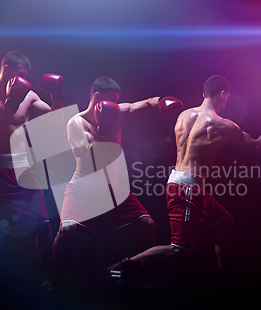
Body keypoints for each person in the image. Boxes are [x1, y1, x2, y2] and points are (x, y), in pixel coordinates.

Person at [108, 75, 261, 291]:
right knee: (178, 249)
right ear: (223, 94)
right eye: (226, 98)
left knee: (226, 223)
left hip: (179, 184)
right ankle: (123, 266)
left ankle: (223, 279)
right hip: (188, 189)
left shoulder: (182, 115)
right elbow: (257, 147)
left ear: (203, 93)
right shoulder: (223, 125)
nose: (225, 103)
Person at [53, 77, 180, 286]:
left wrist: (162, 102)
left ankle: (142, 274)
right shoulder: (76, 123)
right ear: (97, 98)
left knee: (147, 224)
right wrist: (104, 128)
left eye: (116, 101)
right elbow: (93, 160)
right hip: (83, 186)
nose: (115, 106)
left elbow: (146, 103)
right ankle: (55, 278)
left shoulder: (118, 112)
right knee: (66, 231)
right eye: (111, 100)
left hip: (112, 187)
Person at [0, 50, 64, 288]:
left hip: (21, 169)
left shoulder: (29, 95)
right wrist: (11, 101)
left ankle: (51, 275)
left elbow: (56, 121)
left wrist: (57, 97)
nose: (20, 82)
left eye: (25, 76)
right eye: (17, 75)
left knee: (42, 223)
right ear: (5, 69)